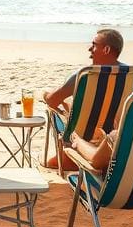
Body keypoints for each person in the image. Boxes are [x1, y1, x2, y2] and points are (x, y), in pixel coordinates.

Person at [42, 28, 124, 171]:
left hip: (81, 137)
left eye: (94, 45)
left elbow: (52, 101)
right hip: (110, 139)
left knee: (53, 110)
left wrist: (46, 95)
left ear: (106, 49)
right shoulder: (132, 75)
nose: (89, 49)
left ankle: (66, 155)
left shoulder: (84, 76)